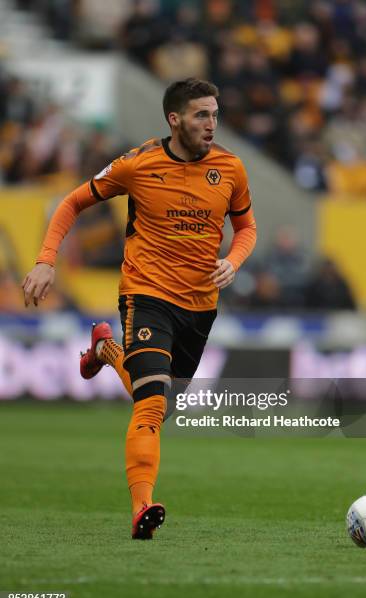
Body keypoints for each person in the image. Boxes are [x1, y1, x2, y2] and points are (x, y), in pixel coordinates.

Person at [22, 78, 257, 540]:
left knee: (160, 403)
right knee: (150, 406)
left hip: (200, 305)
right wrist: (46, 261)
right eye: (201, 115)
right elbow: (72, 202)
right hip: (146, 295)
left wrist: (233, 260)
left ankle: (107, 351)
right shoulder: (139, 163)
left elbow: (247, 228)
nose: (211, 124)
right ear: (175, 119)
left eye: (215, 114)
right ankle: (142, 508)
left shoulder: (230, 168)